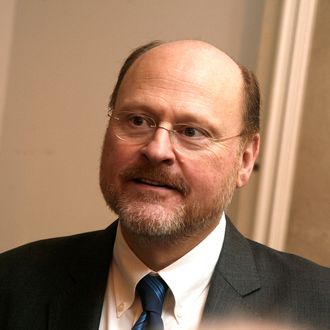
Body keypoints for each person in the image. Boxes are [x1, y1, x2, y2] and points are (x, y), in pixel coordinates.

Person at [0, 40, 329, 330]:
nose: (156, 150)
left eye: (191, 132)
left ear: (244, 160)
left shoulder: (318, 307)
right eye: (138, 121)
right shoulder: (12, 284)